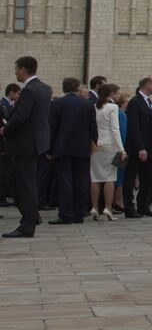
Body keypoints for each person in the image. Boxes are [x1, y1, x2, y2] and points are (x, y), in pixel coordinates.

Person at [3, 57, 54, 239]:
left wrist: (5, 130)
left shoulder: (29, 90)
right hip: (35, 143)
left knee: (24, 184)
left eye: (17, 69)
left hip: (25, 144)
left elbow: (21, 117)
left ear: (23, 70)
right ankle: (32, 215)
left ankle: (27, 224)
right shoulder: (45, 88)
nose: (15, 72)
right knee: (15, 180)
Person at [47, 77, 98, 225]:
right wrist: (93, 145)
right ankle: (79, 214)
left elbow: (52, 128)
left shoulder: (57, 104)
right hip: (82, 149)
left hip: (62, 148)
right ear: (77, 88)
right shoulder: (88, 104)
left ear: (64, 88)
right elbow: (93, 128)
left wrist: (49, 149)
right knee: (81, 182)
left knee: (65, 182)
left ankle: (66, 214)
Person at [121, 77, 152, 218]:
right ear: (147, 85)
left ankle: (143, 205)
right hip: (136, 148)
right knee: (130, 177)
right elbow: (134, 126)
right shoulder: (135, 102)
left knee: (149, 177)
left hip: (149, 147)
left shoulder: (148, 102)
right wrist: (140, 147)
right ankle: (129, 207)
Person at [90, 84, 123, 220]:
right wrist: (121, 148)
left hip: (95, 144)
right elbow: (115, 129)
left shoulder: (93, 107)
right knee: (110, 177)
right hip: (109, 144)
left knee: (95, 177)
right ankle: (108, 208)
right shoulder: (112, 107)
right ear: (110, 94)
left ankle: (94, 207)